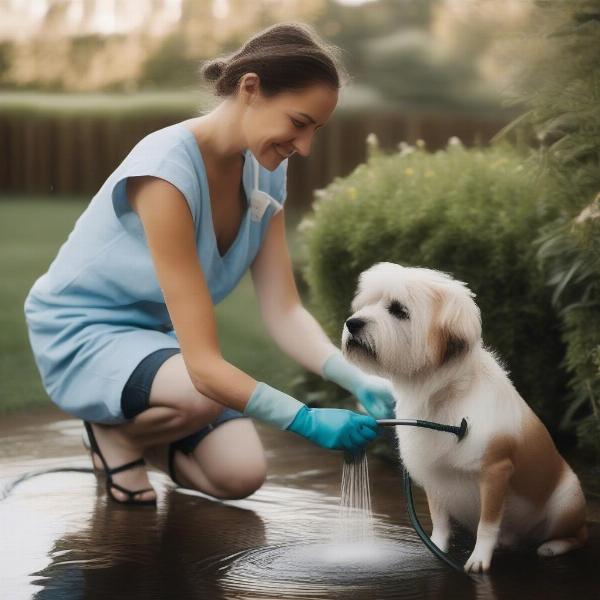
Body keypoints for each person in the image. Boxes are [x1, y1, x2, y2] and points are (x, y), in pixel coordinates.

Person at [24, 22, 396, 507]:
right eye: (299, 122)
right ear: (250, 88)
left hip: (157, 344)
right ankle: (116, 437)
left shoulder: (267, 168)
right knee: (203, 393)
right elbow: (203, 367)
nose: (304, 147)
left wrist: (356, 378)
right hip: (82, 334)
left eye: (315, 131)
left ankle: (128, 434)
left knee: (238, 475)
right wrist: (305, 420)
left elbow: (283, 310)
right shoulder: (165, 173)